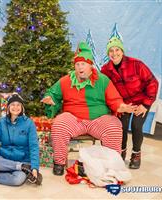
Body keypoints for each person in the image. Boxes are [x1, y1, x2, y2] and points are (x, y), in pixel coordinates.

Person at [41, 41, 136, 176]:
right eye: (77, 64)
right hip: (74, 119)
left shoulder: (103, 80)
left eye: (83, 64)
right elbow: (53, 93)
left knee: (114, 127)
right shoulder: (66, 80)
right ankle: (59, 162)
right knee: (59, 125)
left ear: (90, 66)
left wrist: (122, 107)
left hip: (98, 119)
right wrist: (50, 99)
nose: (80, 67)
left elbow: (114, 99)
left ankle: (112, 165)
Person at [101, 37, 159, 169]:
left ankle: (136, 154)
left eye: (117, 50)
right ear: (107, 53)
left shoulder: (136, 64)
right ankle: (120, 152)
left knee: (136, 125)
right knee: (121, 125)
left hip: (142, 100)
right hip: (123, 104)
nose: (114, 53)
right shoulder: (105, 70)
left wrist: (145, 104)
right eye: (111, 50)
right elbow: (105, 90)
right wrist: (119, 106)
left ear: (122, 51)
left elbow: (152, 82)